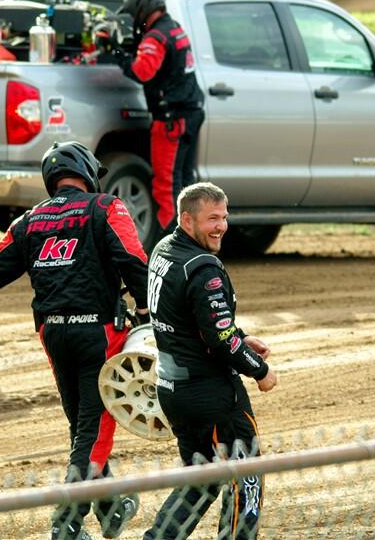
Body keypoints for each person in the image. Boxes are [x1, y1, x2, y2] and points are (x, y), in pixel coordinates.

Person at [0, 141, 150, 540]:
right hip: (99, 333)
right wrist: (144, 313)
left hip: (53, 333)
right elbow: (132, 259)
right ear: (87, 172)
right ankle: (66, 523)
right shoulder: (106, 207)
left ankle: (110, 508)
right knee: (95, 426)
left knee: (82, 426)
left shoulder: (30, 220)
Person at [142, 182, 278, 539]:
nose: (221, 226)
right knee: (247, 475)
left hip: (173, 389)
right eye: (211, 219)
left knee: (200, 477)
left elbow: (195, 319)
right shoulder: (203, 269)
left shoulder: (163, 250)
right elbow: (220, 339)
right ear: (187, 220)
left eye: (224, 217)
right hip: (213, 396)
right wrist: (259, 369)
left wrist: (241, 335)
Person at [113, 0, 206, 237]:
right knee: (186, 181)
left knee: (166, 186)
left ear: (144, 12)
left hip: (172, 119)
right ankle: (193, 240)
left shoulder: (155, 37)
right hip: (191, 112)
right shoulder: (173, 28)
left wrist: (117, 53)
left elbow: (142, 71)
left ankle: (172, 244)